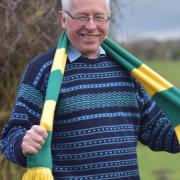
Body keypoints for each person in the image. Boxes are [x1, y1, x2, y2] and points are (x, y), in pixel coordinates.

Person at [0, 0, 180, 179]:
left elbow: (156, 131)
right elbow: (10, 136)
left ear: (108, 20)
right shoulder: (42, 69)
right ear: (63, 19)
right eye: (82, 17)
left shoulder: (127, 69)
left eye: (99, 17)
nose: (92, 26)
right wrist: (23, 143)